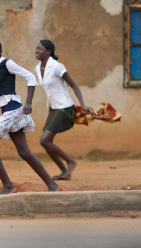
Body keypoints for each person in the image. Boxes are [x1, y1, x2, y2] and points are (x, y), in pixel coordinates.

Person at [0, 38, 61, 195]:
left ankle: (8, 186)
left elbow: (30, 78)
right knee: (24, 153)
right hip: (7, 111)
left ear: (0, 51)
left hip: (13, 110)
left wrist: (29, 103)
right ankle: (52, 185)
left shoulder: (7, 64)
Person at [35, 40, 92, 180]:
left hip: (64, 108)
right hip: (53, 109)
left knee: (44, 141)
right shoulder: (38, 68)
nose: (36, 51)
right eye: (36, 48)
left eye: (40, 49)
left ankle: (71, 162)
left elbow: (74, 85)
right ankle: (65, 172)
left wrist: (82, 105)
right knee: (47, 143)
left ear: (48, 51)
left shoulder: (56, 66)